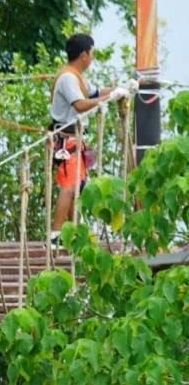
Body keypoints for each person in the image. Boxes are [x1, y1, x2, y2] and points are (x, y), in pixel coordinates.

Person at [49, 33, 114, 242]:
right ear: (84, 55)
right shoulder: (68, 78)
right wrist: (108, 99)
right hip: (66, 139)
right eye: (92, 54)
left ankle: (72, 231)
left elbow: (93, 93)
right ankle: (56, 234)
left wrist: (120, 90)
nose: (92, 58)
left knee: (76, 186)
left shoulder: (76, 77)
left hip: (74, 139)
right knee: (69, 186)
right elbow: (80, 104)